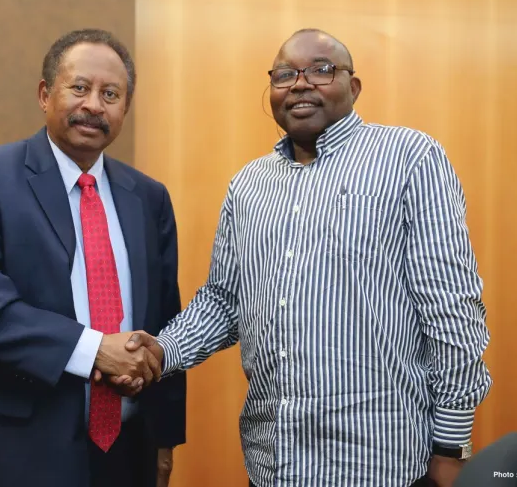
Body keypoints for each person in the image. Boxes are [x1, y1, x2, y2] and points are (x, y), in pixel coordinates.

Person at [122, 28, 493, 487]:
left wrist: (452, 444)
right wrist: (160, 349)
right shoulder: (248, 185)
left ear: (353, 87)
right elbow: (223, 301)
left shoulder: (410, 158)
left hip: (382, 463)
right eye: (284, 74)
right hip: (273, 463)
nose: (299, 83)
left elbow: (452, 308)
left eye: (321, 70)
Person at [0, 29, 186, 487]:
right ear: (46, 95)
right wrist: (92, 351)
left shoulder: (148, 198)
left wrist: (164, 439)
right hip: (10, 452)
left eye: (111, 94)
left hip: (125, 454)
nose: (94, 105)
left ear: (125, 108)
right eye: (79, 88)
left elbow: (164, 320)